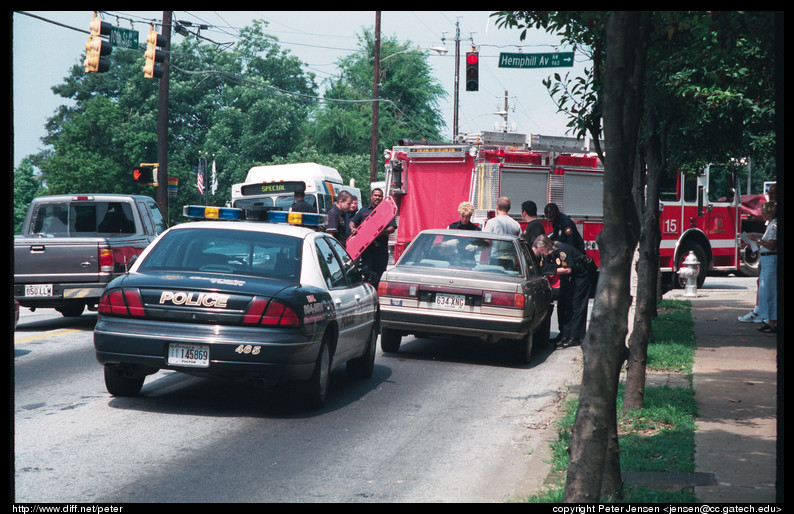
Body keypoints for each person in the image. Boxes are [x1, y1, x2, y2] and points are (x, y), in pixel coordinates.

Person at [532, 234, 593, 348]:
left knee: (576, 306)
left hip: (581, 276)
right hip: (568, 279)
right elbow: (547, 269)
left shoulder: (561, 250)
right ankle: (564, 335)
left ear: (545, 246)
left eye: (541, 250)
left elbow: (567, 269)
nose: (540, 252)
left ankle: (575, 337)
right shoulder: (549, 254)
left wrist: (550, 271)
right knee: (563, 305)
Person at [349, 188, 397, 285]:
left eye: (379, 196)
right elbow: (352, 222)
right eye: (375, 195)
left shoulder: (387, 211)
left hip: (381, 249)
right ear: (371, 196)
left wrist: (380, 233)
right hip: (366, 249)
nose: (377, 198)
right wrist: (352, 228)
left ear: (382, 198)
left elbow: (392, 228)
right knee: (367, 274)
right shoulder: (363, 210)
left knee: (379, 275)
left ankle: (377, 295)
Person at [747, 202, 777, 333]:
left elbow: (771, 245)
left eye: (764, 212)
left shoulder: (775, 225)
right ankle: (768, 320)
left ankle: (774, 322)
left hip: (771, 258)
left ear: (769, 212)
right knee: (764, 291)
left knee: (771, 291)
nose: (762, 214)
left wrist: (757, 240)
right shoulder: (770, 225)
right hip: (765, 258)